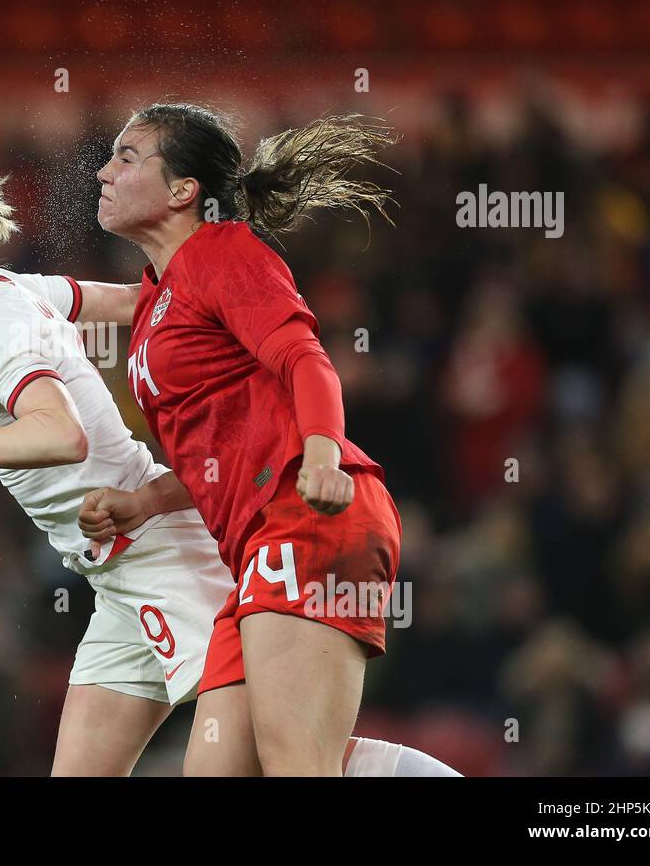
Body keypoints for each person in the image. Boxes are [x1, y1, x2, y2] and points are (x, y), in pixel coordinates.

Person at [0, 163, 458, 777]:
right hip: (116, 575)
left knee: (292, 758)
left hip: (162, 560)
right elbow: (135, 302)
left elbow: (61, 433)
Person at [82, 103, 455, 776]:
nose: (105, 172)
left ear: (183, 191)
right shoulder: (155, 300)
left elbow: (306, 359)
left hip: (307, 518)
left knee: (297, 766)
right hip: (258, 548)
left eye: (128, 157)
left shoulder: (222, 253)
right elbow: (221, 453)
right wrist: (149, 503)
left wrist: (321, 452)